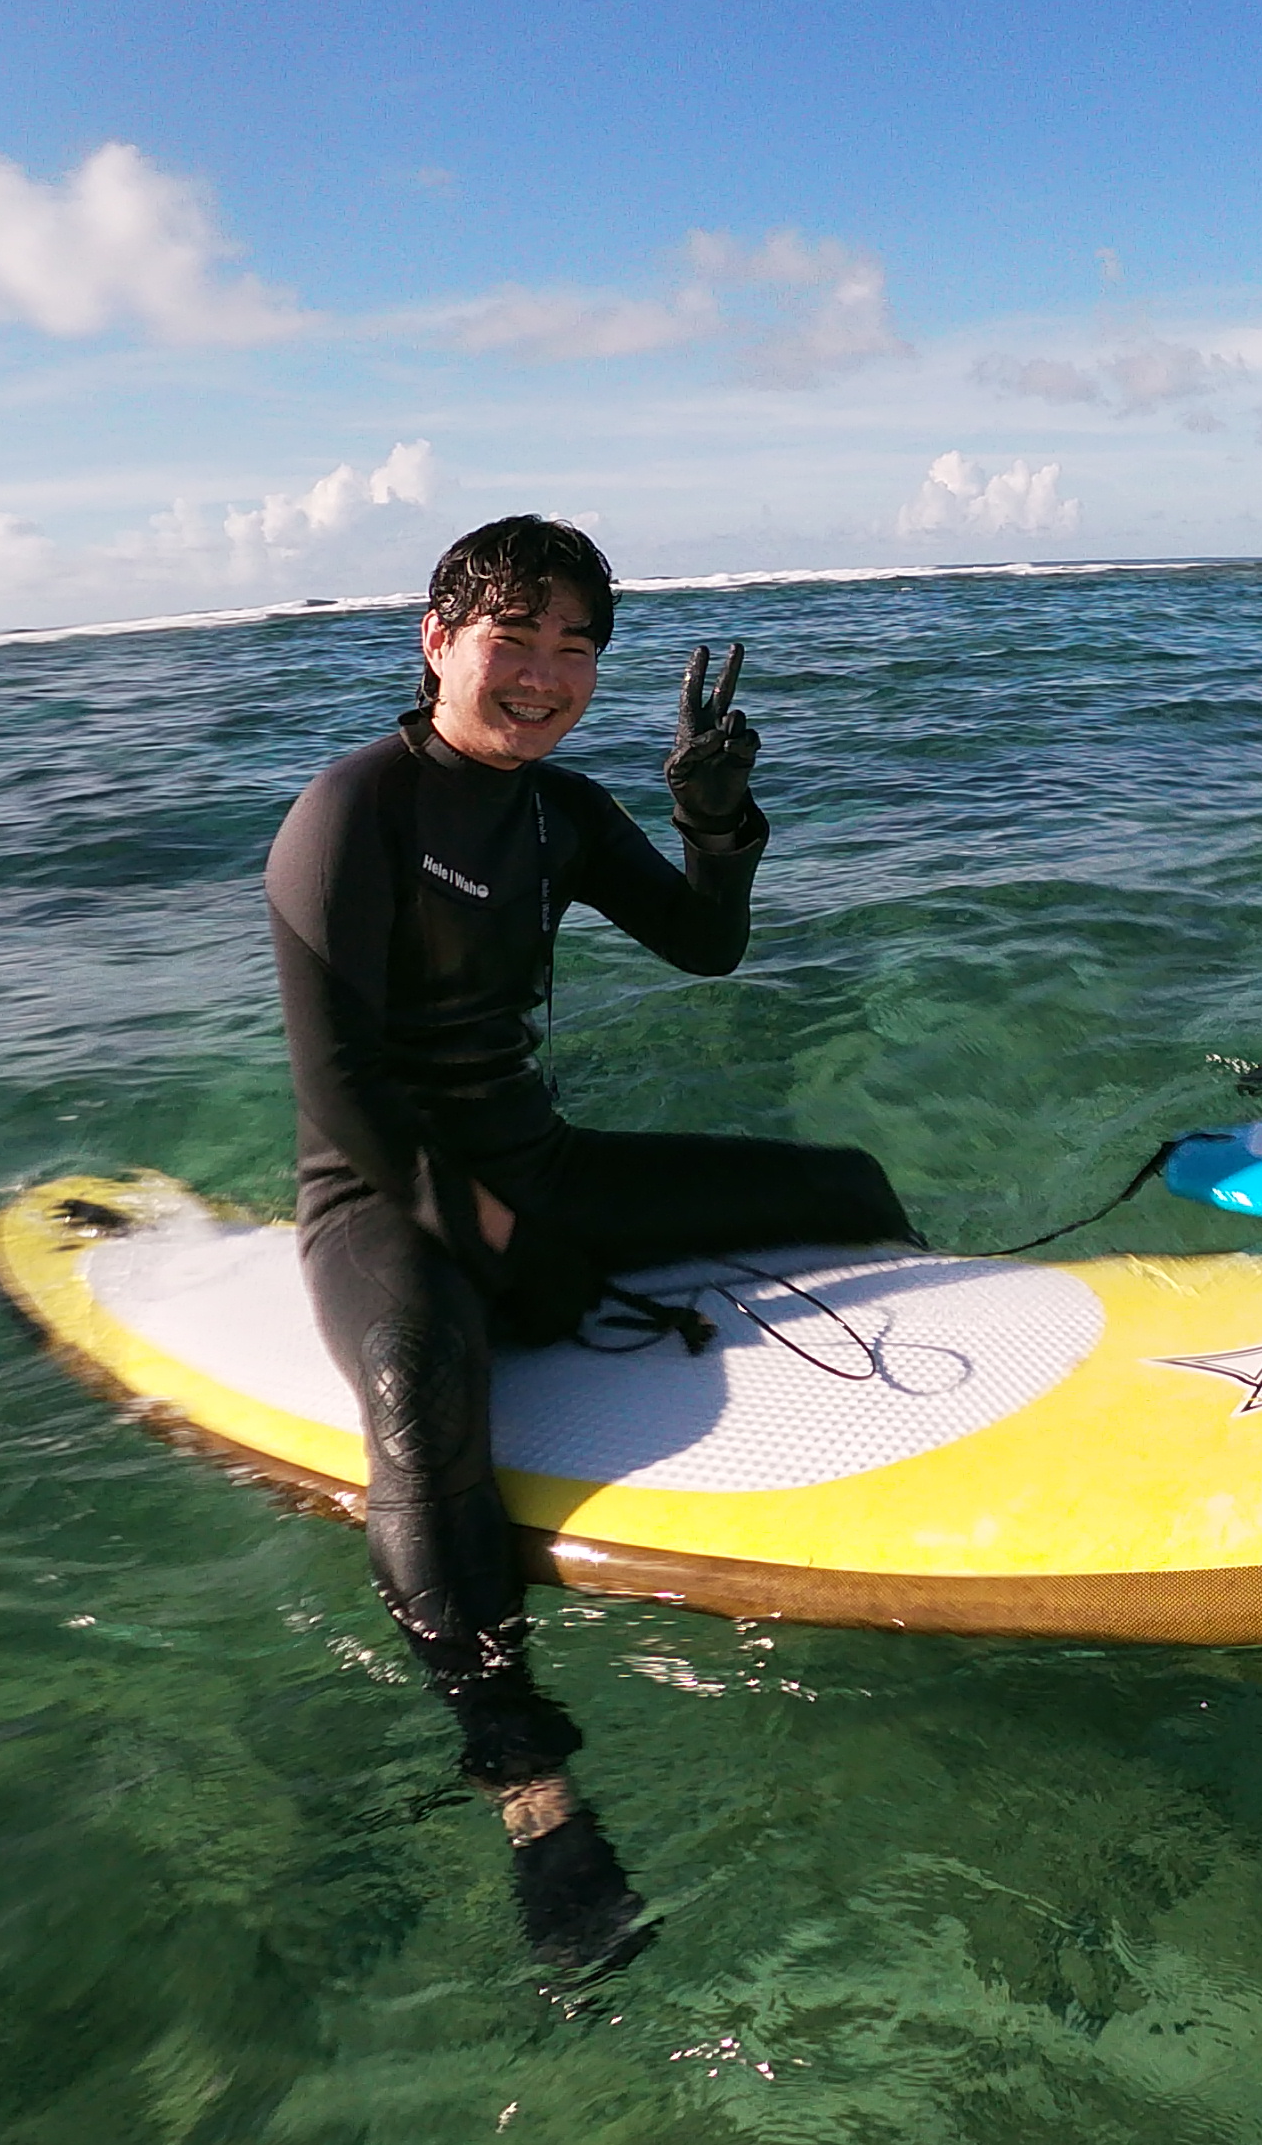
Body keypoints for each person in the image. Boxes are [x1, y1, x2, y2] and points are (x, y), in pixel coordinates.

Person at [266, 515, 912, 1974]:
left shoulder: (557, 811)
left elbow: (706, 946)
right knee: (429, 1400)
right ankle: (526, 1782)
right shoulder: (349, 811)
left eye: (578, 649)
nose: (549, 674)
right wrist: (482, 1230)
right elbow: (341, 1091)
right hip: (382, 1202)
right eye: (517, 639)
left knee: (850, 1185)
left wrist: (717, 822)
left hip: (541, 1170)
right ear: (438, 639)